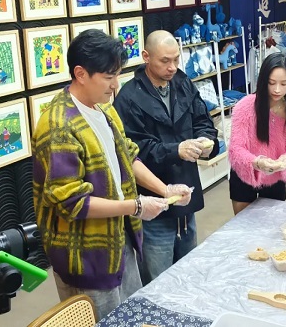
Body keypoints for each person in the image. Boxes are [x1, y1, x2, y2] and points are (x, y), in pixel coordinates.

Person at [32, 29, 187, 319]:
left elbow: (128, 156)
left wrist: (164, 190)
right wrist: (136, 206)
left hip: (119, 238)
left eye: (117, 75)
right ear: (80, 74)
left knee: (128, 315)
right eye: (108, 77)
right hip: (85, 254)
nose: (116, 85)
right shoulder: (58, 126)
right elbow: (72, 202)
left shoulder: (104, 108)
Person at [113, 30, 219, 284]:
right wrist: (176, 150)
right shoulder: (129, 98)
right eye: (165, 61)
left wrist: (207, 141)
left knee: (189, 273)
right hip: (154, 202)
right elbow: (134, 151)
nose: (172, 67)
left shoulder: (183, 83)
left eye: (176, 59)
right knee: (158, 280)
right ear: (146, 56)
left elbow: (203, 120)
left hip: (185, 194)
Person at [228, 53, 286, 215]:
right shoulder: (245, 106)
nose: (277, 89)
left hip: (275, 177)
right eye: (271, 83)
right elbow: (236, 149)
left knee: (273, 225)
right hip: (245, 174)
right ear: (263, 80)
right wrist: (257, 162)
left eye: (284, 83)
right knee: (243, 224)